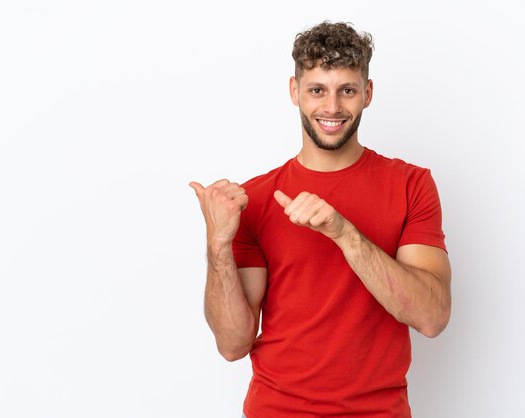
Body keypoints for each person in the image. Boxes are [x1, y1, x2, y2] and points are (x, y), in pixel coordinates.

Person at [189, 20, 451, 418]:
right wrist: (217, 244)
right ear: (295, 92)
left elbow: (431, 318)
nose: (331, 108)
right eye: (317, 90)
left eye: (347, 90)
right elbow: (232, 344)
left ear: (367, 93)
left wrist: (344, 233)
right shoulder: (256, 199)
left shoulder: (412, 184)